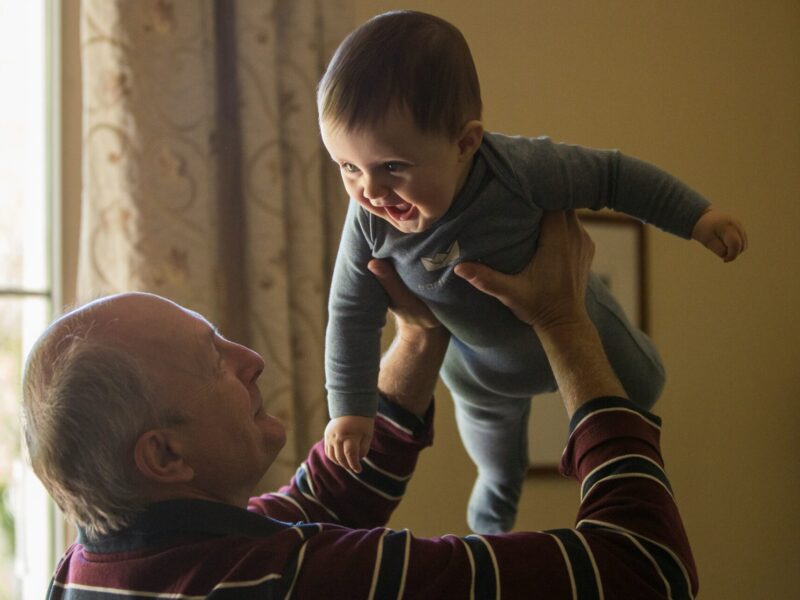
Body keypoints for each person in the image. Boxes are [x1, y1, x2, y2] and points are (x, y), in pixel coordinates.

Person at [24, 210, 697, 598]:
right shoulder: (292, 582)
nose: (251, 360)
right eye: (214, 360)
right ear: (164, 454)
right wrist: (564, 320)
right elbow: (644, 570)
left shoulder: (93, 569)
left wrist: (420, 334)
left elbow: (323, 499)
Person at [319, 9, 748, 533]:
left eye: (392, 167)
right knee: (498, 467)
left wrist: (697, 217)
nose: (370, 191)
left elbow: (613, 176)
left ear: (465, 143)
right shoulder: (367, 222)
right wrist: (350, 409)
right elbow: (350, 314)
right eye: (347, 167)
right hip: (480, 374)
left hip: (578, 320)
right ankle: (490, 533)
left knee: (645, 386)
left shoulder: (519, 170)